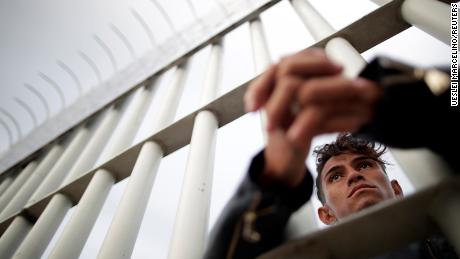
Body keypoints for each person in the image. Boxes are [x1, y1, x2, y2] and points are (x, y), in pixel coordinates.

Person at [203, 48, 459, 258]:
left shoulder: (450, 235)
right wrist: (272, 183)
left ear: (397, 189)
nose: (354, 176)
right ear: (326, 214)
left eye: (364, 165)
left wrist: (409, 102)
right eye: (335, 176)